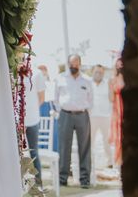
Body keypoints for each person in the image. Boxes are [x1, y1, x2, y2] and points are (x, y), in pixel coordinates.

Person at [54, 54, 93, 188]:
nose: (73, 66)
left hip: (82, 115)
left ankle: (85, 180)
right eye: (71, 64)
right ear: (68, 64)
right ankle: (62, 179)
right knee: (64, 147)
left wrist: (83, 110)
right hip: (65, 115)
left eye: (76, 64)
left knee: (84, 148)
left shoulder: (87, 80)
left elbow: (91, 100)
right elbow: (56, 98)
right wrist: (61, 111)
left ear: (80, 64)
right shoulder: (60, 78)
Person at [24, 66, 46, 187]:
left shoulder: (37, 74)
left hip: (32, 120)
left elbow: (42, 98)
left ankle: (38, 185)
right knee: (14, 153)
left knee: (34, 153)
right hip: (16, 121)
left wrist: (30, 110)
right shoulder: (11, 70)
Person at [90, 64, 113, 169]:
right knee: (90, 140)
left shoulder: (108, 83)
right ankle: (89, 161)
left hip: (105, 116)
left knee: (107, 140)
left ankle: (109, 162)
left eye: (100, 72)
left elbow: (111, 99)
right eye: (96, 72)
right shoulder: (88, 83)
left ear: (103, 73)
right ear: (92, 72)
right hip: (92, 116)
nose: (98, 74)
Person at [109, 58, 124, 167]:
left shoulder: (130, 78)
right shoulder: (112, 80)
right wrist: (110, 87)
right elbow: (111, 98)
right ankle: (119, 163)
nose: (119, 67)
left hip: (127, 107)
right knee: (118, 136)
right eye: (118, 66)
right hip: (117, 109)